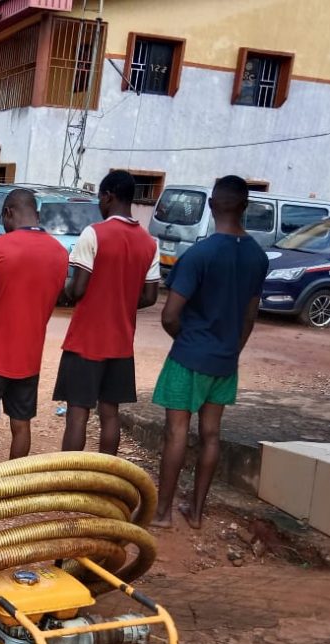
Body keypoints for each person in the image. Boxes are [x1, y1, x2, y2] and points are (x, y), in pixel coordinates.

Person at [151, 176, 269, 529]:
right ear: (245, 206)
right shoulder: (257, 257)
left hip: (189, 356)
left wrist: (186, 341)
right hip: (225, 360)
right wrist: (231, 350)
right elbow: (250, 315)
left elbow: (170, 315)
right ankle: (197, 512)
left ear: (212, 206)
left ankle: (162, 513)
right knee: (211, 435)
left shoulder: (199, 255)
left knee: (176, 433)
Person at [53, 170, 160, 454]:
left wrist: (66, 291)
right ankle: (105, 485)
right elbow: (150, 296)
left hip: (86, 340)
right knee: (110, 414)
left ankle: (71, 483)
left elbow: (78, 289)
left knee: (78, 415)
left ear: (108, 196)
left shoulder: (94, 233)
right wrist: (121, 299)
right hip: (122, 343)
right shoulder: (150, 243)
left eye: (100, 198)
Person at [0, 189, 68, 470]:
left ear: (8, 213)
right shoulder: (59, 253)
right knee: (21, 425)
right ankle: (12, 490)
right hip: (29, 354)